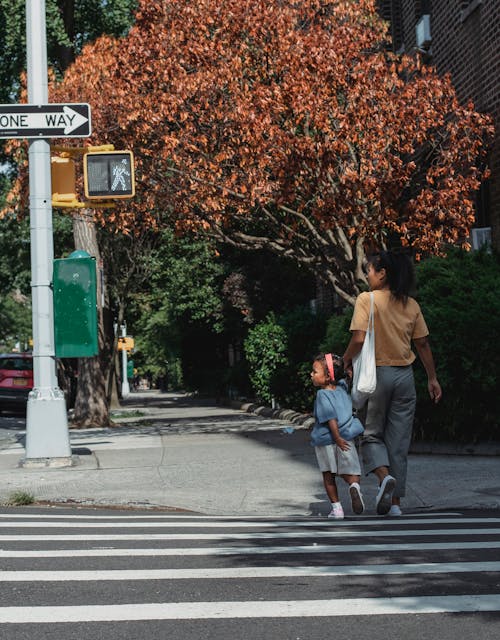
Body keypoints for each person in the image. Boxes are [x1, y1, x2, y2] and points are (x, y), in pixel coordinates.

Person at [343, 250, 442, 517]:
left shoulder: (367, 300)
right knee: (398, 442)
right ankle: (395, 504)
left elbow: (359, 338)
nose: (367, 276)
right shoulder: (411, 305)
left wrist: (346, 359)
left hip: (377, 376)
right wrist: (432, 377)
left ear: (382, 273)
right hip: (405, 377)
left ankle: (384, 477)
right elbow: (422, 344)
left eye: (369, 271)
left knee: (371, 434)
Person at [310, 353, 365, 519]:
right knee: (351, 470)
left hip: (328, 440)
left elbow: (330, 418)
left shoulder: (322, 395)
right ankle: (354, 486)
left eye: (315, 372)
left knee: (328, 475)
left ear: (327, 377)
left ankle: (337, 509)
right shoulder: (342, 389)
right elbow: (346, 376)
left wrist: (336, 438)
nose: (311, 375)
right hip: (347, 437)